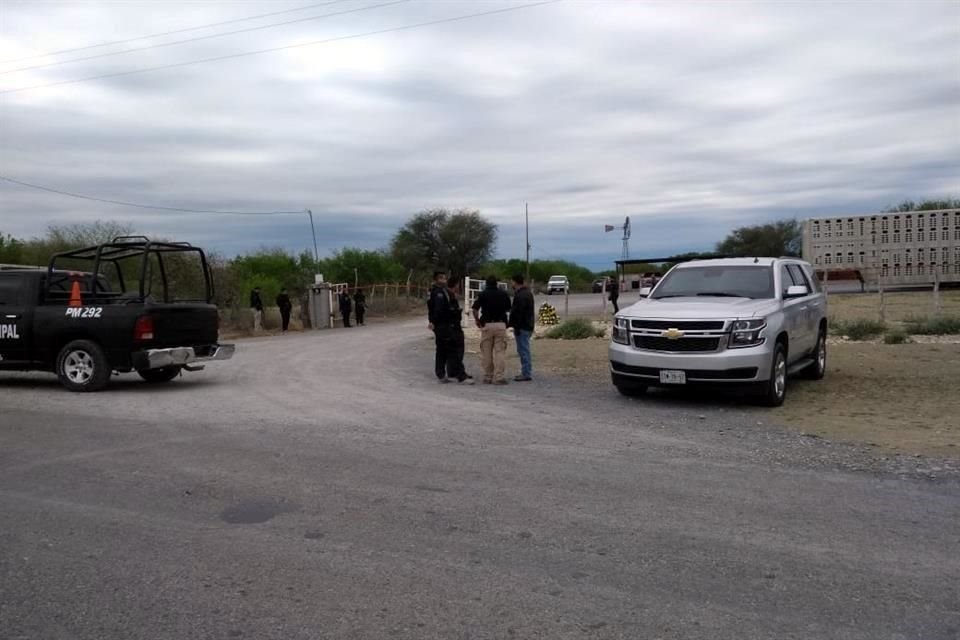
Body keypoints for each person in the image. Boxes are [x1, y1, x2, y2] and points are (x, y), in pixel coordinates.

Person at [427, 271, 474, 384]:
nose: (444, 280)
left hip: (442, 325)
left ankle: (441, 374)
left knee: (441, 350)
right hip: (444, 325)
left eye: (444, 278)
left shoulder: (440, 291)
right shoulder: (438, 293)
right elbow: (438, 310)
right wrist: (435, 321)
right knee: (452, 349)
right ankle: (460, 375)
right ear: (436, 280)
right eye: (441, 278)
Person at [472, 276, 512, 385]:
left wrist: (477, 320)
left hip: (487, 324)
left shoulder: (482, 294)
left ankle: (488, 376)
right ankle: (499, 377)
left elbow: (475, 309)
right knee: (500, 352)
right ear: (496, 283)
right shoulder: (503, 294)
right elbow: (509, 308)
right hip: (500, 324)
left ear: (486, 284)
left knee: (486, 352)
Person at [508, 274, 535, 382]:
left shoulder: (520, 295)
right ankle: (526, 371)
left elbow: (519, 312)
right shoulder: (527, 293)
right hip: (528, 325)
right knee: (523, 349)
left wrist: (515, 325)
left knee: (523, 350)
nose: (511, 284)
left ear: (515, 282)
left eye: (512, 282)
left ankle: (526, 373)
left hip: (522, 326)